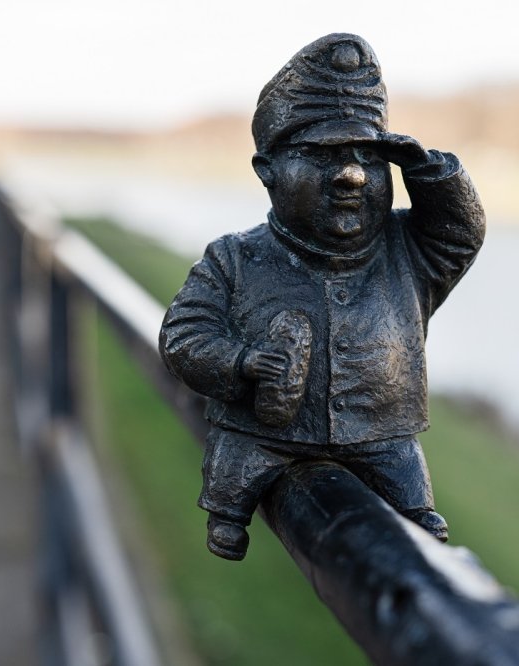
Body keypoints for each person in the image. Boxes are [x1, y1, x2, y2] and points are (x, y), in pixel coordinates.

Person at [159, 33, 485, 560]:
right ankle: (227, 513)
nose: (352, 175)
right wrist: (242, 363)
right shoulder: (234, 258)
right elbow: (183, 336)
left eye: (369, 157)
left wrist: (428, 168)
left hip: (382, 434)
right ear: (268, 171)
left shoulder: (409, 252)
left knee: (415, 514)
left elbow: (461, 233)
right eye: (323, 155)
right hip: (260, 432)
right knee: (236, 466)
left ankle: (415, 523)